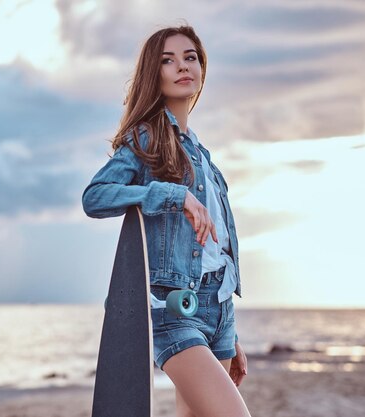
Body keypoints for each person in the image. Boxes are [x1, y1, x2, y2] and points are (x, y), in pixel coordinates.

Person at [82, 24, 252, 417]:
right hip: (173, 309)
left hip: (218, 310)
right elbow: (96, 197)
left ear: (202, 70)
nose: (182, 66)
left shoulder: (202, 154)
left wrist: (231, 331)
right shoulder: (146, 138)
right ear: (153, 74)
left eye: (190, 57)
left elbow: (216, 248)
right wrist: (172, 195)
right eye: (168, 60)